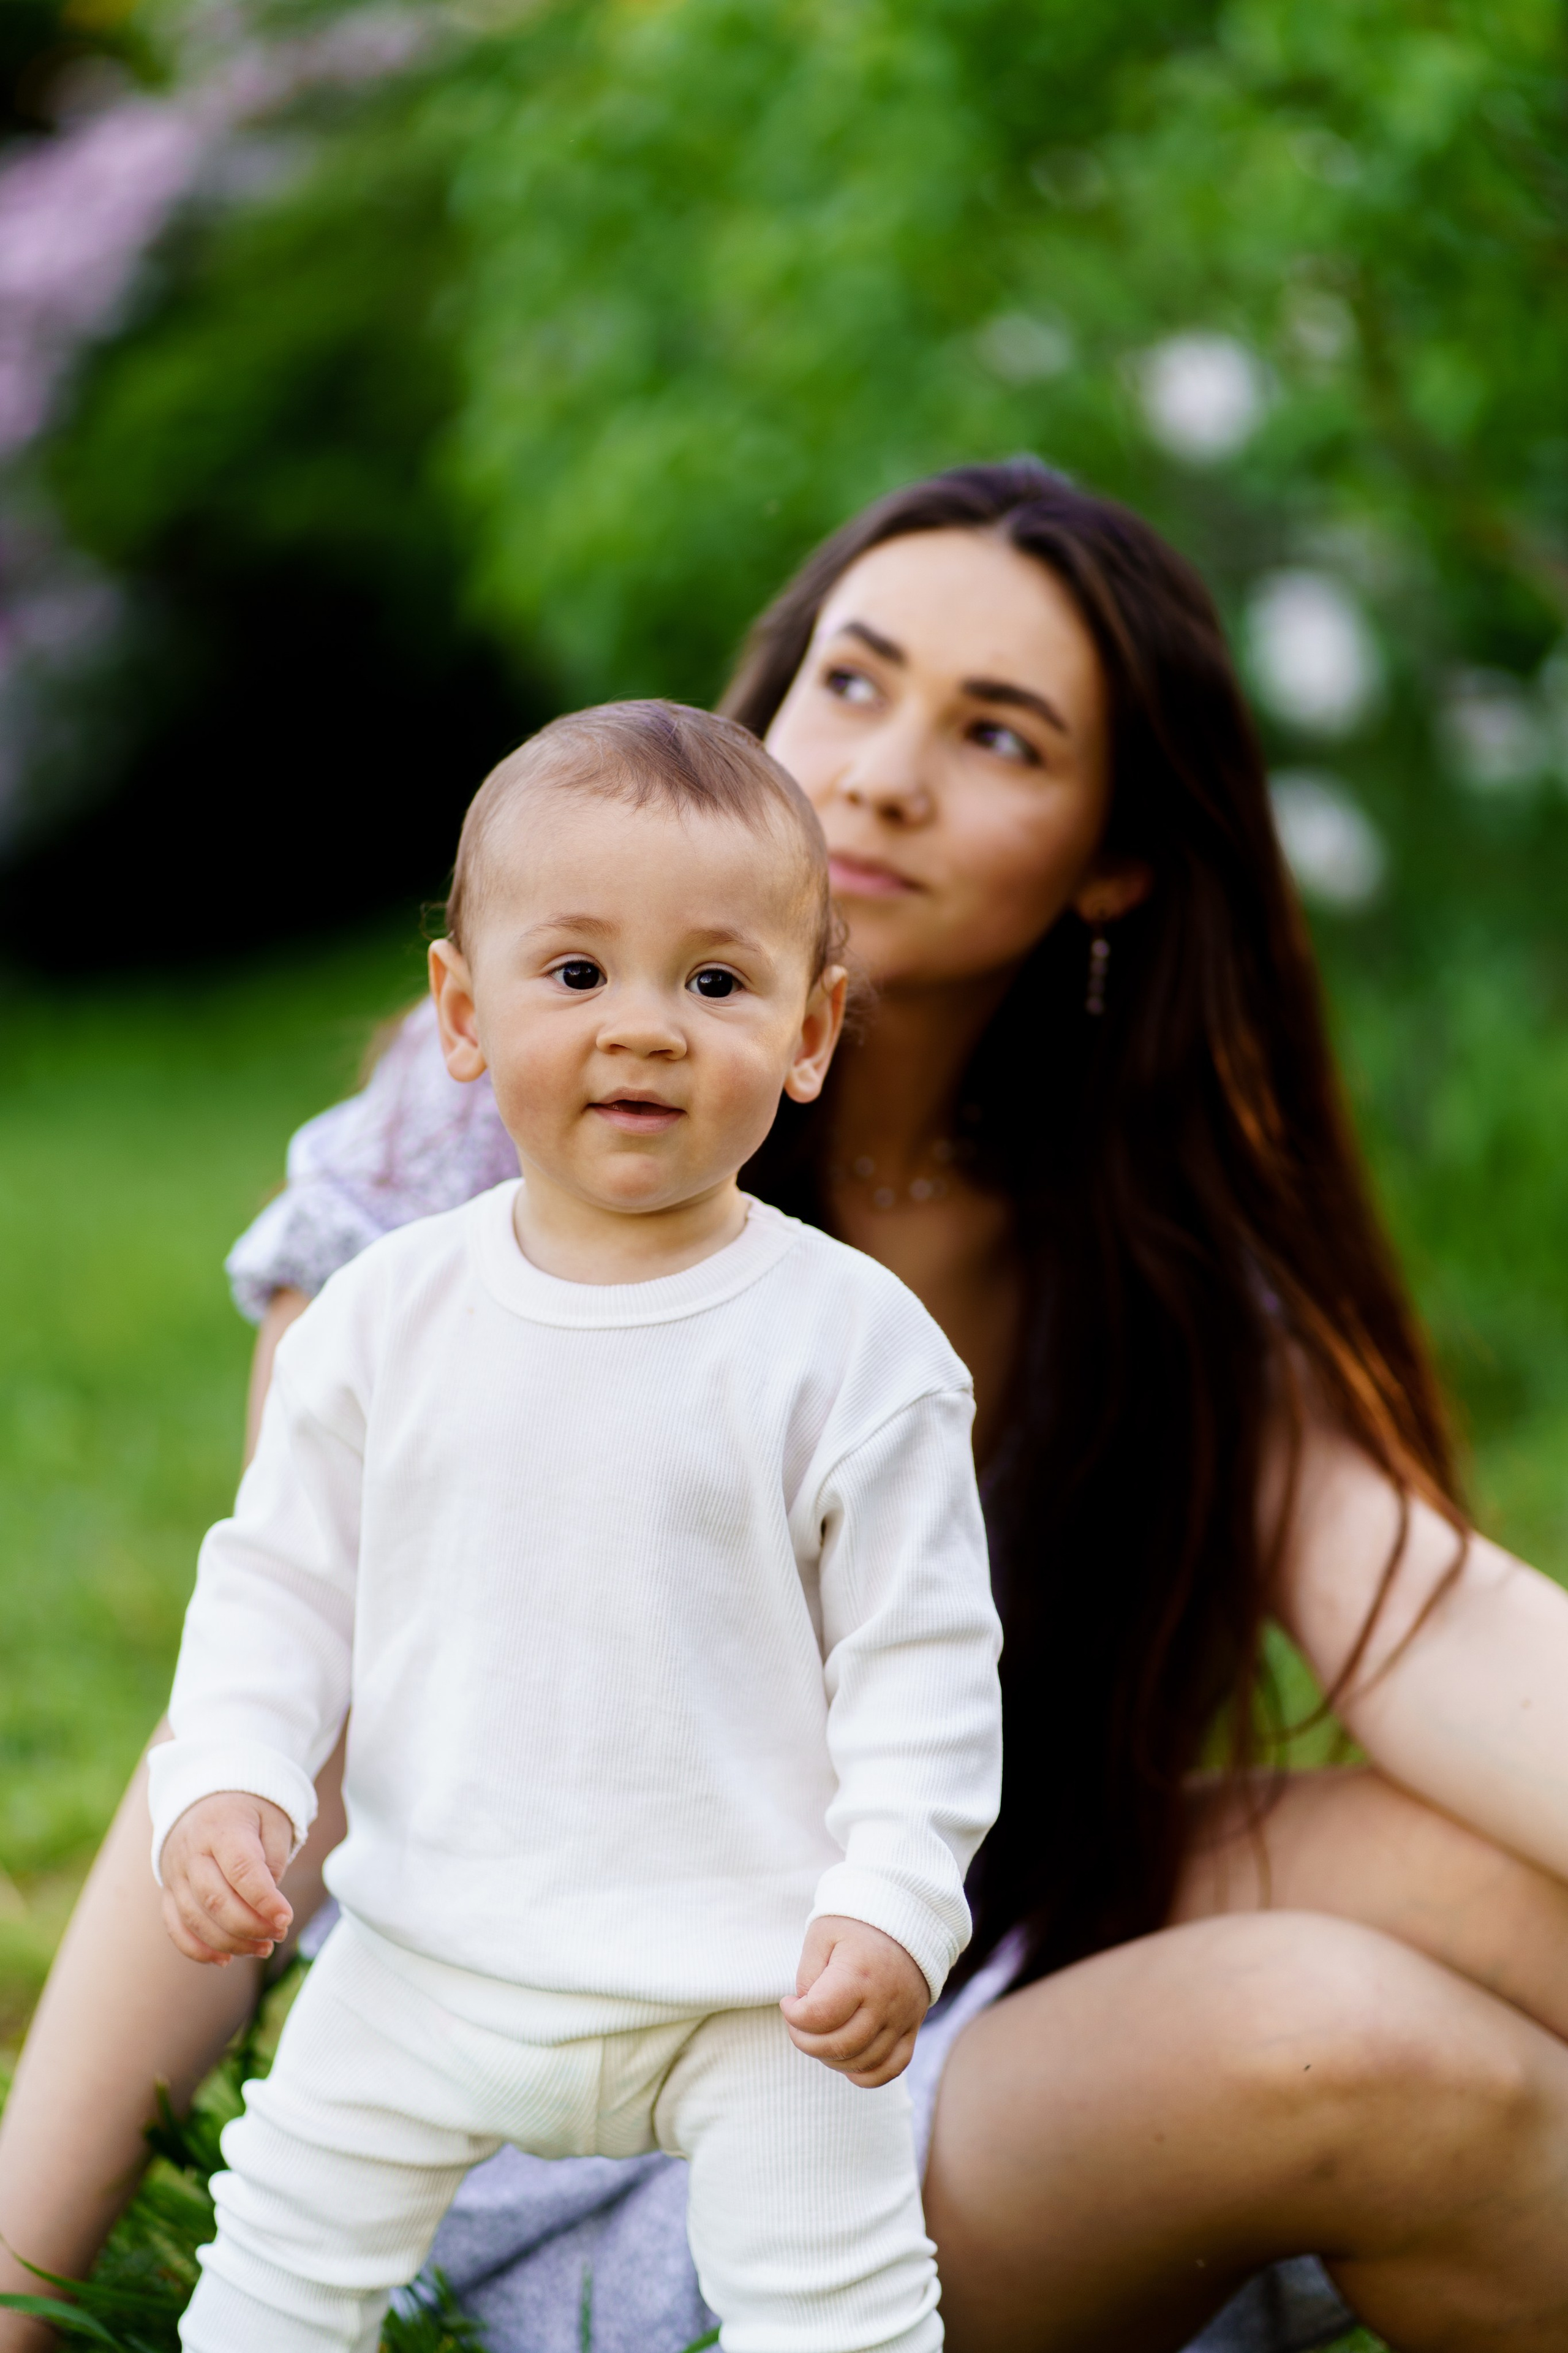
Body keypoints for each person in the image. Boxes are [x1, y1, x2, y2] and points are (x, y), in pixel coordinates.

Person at [6, 459, 1568, 2353]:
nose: (887, 769)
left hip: (892, 1973)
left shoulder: (1135, 1226)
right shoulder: (498, 1144)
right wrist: (21, 2280)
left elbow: (1427, 1612)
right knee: (1346, 2040)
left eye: (998, 734)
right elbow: (273, 1693)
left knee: (1496, 1886)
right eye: (853, 680)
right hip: (553, 2114)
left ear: (1116, 858)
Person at [150, 700, 1003, 2353]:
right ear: (461, 1012)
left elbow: (926, 1662)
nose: (645, 1030)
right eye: (575, 972)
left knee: (845, 2309)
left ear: (812, 1030)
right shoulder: (384, 1318)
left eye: (716, 981)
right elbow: (276, 1587)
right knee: (271, 2274)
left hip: (756, 1983)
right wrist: (234, 1776)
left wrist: (894, 1898)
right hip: (426, 1944)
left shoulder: (855, 1344)